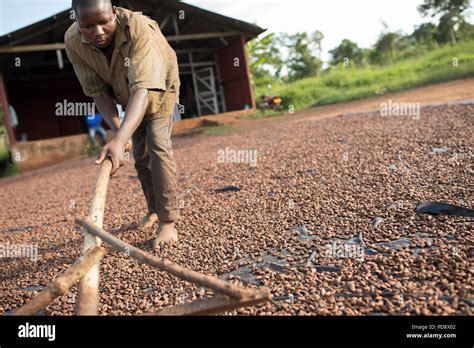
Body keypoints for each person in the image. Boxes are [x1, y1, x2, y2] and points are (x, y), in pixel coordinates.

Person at [65, 0, 181, 247]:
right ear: (75, 20)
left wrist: (118, 141)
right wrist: (120, 133)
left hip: (159, 87)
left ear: (114, 13)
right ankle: (153, 210)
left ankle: (168, 221)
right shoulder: (73, 42)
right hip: (127, 95)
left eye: (104, 22)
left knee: (158, 147)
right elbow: (98, 92)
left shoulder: (137, 26)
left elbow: (143, 87)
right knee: (141, 157)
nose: (98, 32)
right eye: (88, 25)